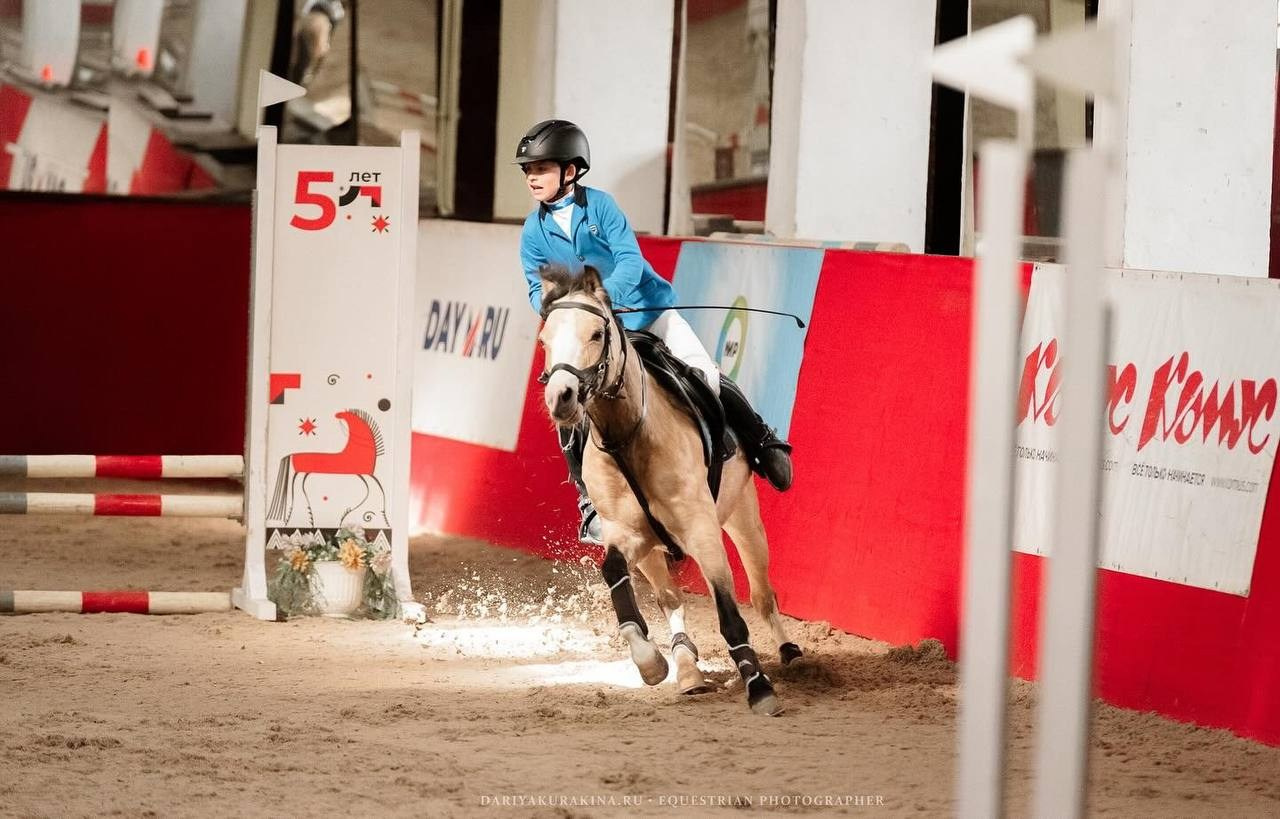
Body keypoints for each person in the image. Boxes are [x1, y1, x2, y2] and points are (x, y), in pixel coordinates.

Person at [515, 119, 792, 545]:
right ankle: (589, 502)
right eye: (528, 171)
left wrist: (608, 299)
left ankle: (761, 440)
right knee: (568, 407)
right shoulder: (533, 231)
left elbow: (629, 258)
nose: (532, 177)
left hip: (647, 311)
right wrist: (566, 314)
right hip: (595, 335)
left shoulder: (602, 208)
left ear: (570, 171)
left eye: (542, 168)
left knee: (705, 374)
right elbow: (538, 288)